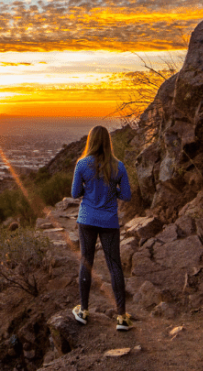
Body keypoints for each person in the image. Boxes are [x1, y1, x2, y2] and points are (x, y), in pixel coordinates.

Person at [71, 125, 132, 331]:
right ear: (108, 142)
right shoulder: (119, 167)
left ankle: (83, 311)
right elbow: (126, 195)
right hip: (108, 221)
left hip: (87, 219)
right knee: (114, 265)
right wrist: (111, 188)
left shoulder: (82, 164)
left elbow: (74, 193)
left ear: (91, 141)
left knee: (86, 261)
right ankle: (122, 317)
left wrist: (90, 188)